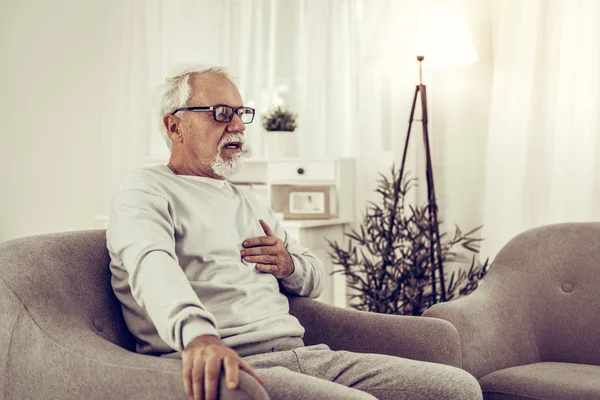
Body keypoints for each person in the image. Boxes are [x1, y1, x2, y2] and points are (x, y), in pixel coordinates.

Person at [106, 65, 482, 400]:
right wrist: (198, 337)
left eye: (240, 114)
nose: (237, 126)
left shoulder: (249, 201)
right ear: (175, 126)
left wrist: (288, 266)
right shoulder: (146, 189)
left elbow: (314, 276)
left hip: (306, 353)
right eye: (221, 114)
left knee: (458, 388)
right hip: (237, 366)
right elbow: (150, 264)